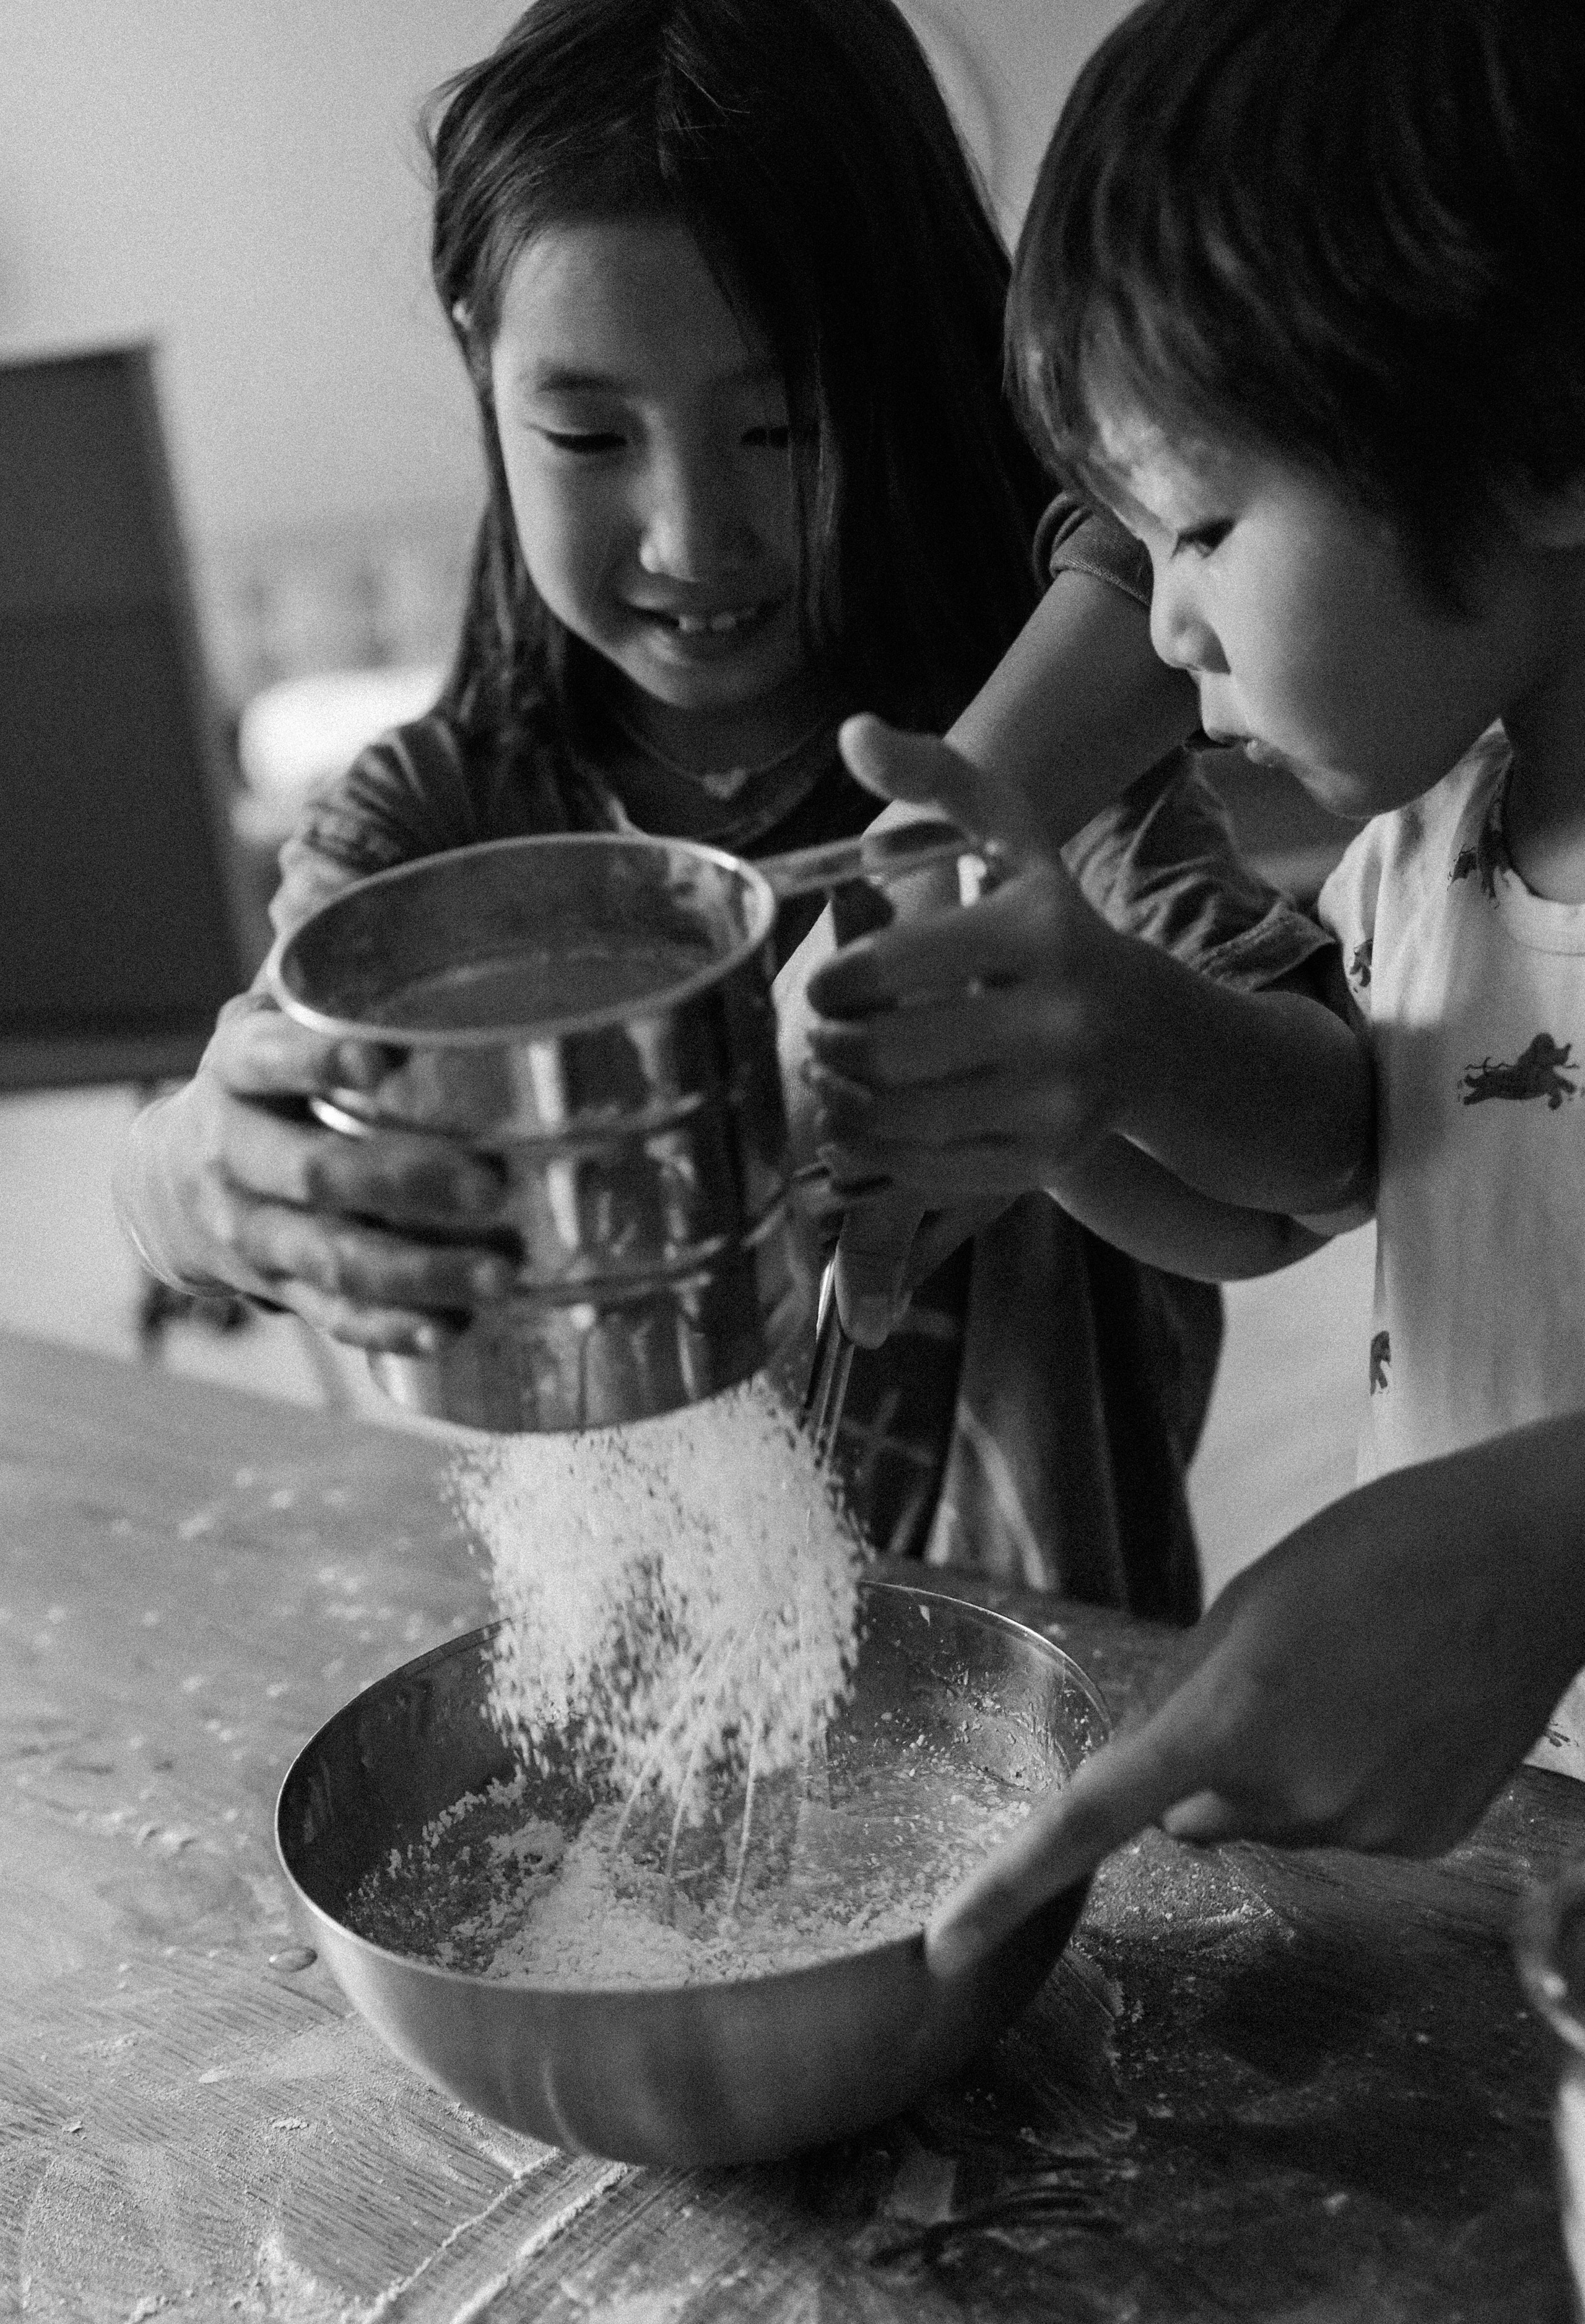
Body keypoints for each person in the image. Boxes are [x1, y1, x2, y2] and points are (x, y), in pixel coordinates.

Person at [116, 0, 1332, 1607]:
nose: (695, 535)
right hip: (591, 1674)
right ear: (482, 370)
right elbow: (193, 1182)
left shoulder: (1036, 787)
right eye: (587, 432)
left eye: (780, 424)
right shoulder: (437, 822)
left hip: (1047, 1695)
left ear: (914, 372)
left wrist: (1090, 1047)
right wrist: (201, 1175)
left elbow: (1326, 1156)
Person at [794, 0, 1585, 1969]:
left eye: (1206, 523)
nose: (1155, 622)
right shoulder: (1438, 837)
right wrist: (1084, 1073)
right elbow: (1329, 1161)